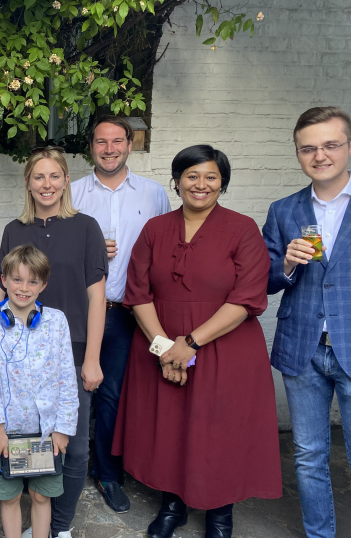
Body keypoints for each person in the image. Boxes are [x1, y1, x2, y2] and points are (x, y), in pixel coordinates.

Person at [113, 145, 282, 538]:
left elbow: (247, 298)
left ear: (222, 183)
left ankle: (220, 515)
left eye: (210, 177)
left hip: (225, 347)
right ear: (176, 181)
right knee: (169, 426)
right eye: (191, 176)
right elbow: (138, 294)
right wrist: (164, 350)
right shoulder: (154, 230)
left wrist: (188, 344)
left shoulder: (242, 228)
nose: (200, 184)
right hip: (160, 346)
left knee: (219, 428)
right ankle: (172, 506)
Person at [0, 147, 107, 538]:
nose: (47, 184)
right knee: (23, 440)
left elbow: (97, 296)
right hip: (18, 356)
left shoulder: (86, 227)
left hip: (70, 352)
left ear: (66, 180)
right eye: (39, 177)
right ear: (28, 182)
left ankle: (59, 528)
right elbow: (0, 294)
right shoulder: (13, 230)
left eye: (54, 176)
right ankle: (28, 522)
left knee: (71, 447)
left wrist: (91, 358)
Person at [69, 115, 171, 513]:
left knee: (113, 396)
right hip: (81, 311)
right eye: (100, 141)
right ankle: (70, 467)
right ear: (90, 146)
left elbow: (162, 249)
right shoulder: (72, 193)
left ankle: (108, 474)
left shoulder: (153, 194)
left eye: (117, 141)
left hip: (131, 314)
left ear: (131, 144)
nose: (108, 148)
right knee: (77, 395)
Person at [262, 106, 351, 538]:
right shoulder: (284, 210)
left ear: (348, 146)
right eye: (309, 148)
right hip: (303, 346)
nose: (320, 155)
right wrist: (287, 265)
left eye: (331, 145)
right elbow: (264, 280)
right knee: (309, 454)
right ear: (298, 154)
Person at [0, 244, 79, 538]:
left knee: (41, 496)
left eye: (32, 281)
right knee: (9, 497)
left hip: (46, 430)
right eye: (17, 279)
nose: (24, 288)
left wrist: (63, 428)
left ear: (43, 285)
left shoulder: (56, 321)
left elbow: (66, 381)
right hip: (4, 430)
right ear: (4, 280)